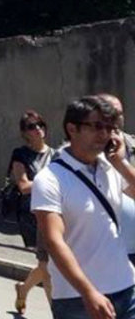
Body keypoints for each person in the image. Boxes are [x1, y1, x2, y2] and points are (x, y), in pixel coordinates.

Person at [32, 96, 135, 319]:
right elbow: (53, 241)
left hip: (125, 287)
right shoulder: (50, 179)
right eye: (97, 126)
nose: (105, 134)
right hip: (77, 298)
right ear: (72, 128)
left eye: (110, 128)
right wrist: (88, 291)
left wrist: (121, 163)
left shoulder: (111, 168)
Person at [8, 110, 54, 314]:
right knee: (47, 266)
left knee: (47, 265)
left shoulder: (57, 154)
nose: (37, 129)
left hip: (58, 213)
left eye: (40, 124)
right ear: (24, 133)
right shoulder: (21, 155)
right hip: (36, 215)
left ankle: (23, 288)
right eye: (31, 126)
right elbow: (23, 186)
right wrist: (50, 183)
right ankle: (57, 312)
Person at [97, 94, 135, 266]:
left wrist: (121, 162)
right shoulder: (80, 152)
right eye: (109, 112)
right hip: (102, 248)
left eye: (118, 113)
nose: (115, 118)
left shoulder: (132, 144)